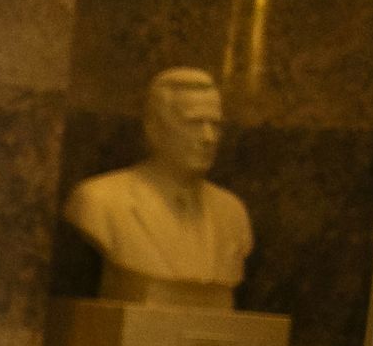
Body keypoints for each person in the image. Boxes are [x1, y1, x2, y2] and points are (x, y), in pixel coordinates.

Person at [61, 67, 252, 308]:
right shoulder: (99, 200)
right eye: (194, 123)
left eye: (215, 125)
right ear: (154, 128)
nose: (208, 137)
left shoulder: (232, 212)